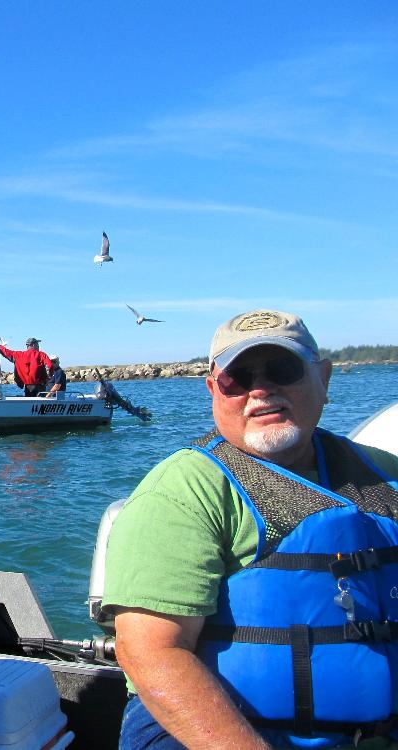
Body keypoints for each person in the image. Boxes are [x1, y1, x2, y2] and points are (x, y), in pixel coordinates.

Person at [101, 309, 398, 750]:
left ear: (324, 378)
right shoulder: (185, 491)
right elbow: (150, 652)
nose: (260, 389)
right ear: (213, 390)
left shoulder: (382, 476)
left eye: (282, 369)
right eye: (237, 378)